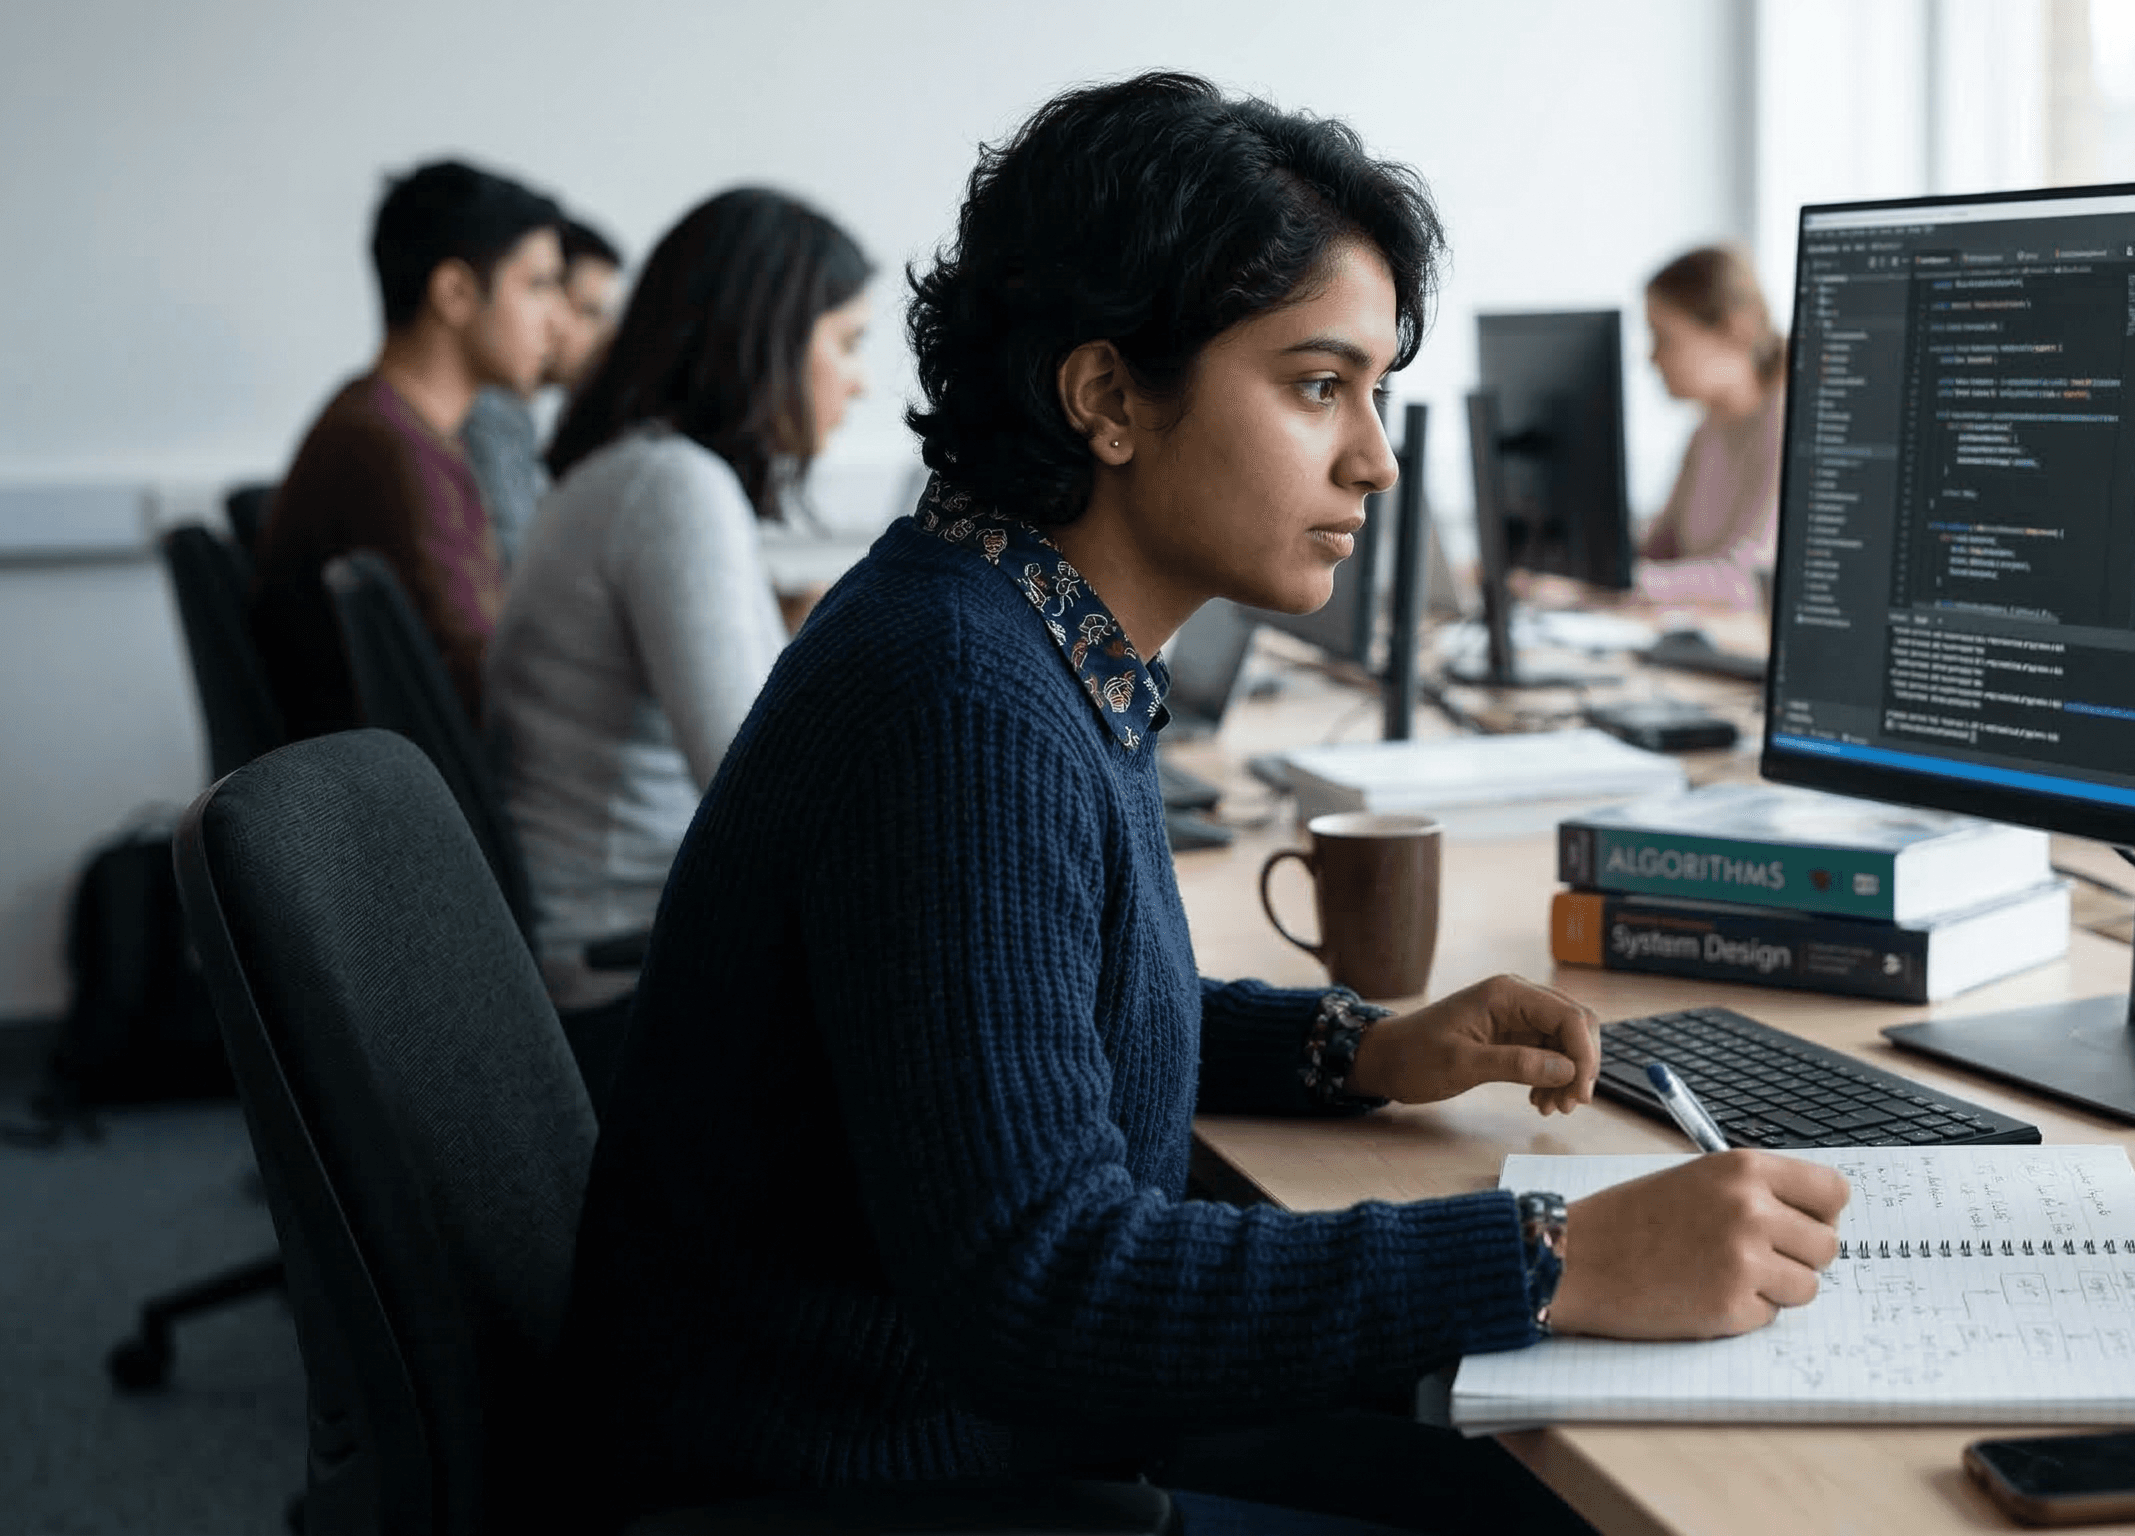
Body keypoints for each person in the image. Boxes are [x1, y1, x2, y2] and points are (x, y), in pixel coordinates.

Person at [552, 74, 1849, 1536]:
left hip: (952, 1435)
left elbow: (1031, 1016)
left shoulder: (998, 621)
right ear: (1108, 398)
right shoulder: (962, 703)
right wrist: (1554, 1253)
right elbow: (1044, 1285)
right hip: (887, 1477)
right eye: (1317, 386)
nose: (1376, 457)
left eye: (1375, 391)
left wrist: (1356, 1049)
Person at [485, 188, 868, 1087]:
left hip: (606, 947)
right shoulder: (672, 487)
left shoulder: (636, 468)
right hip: (625, 982)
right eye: (847, 343)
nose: (857, 380)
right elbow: (761, 794)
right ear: (771, 338)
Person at [250, 159, 565, 737]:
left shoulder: (388, 425)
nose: (558, 323)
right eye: (538, 286)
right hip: (399, 781)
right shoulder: (389, 452)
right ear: (455, 293)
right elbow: (479, 686)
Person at [462, 215, 625, 570]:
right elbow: (516, 568)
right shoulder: (488, 416)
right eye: (590, 312)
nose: (608, 338)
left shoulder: (516, 419)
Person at [1632, 243, 1785, 610]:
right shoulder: (1708, 429)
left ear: (1734, 329)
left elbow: (1749, 580)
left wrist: (1625, 581)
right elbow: (1662, 547)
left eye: (1664, 338)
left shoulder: (1786, 425)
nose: (1652, 358)